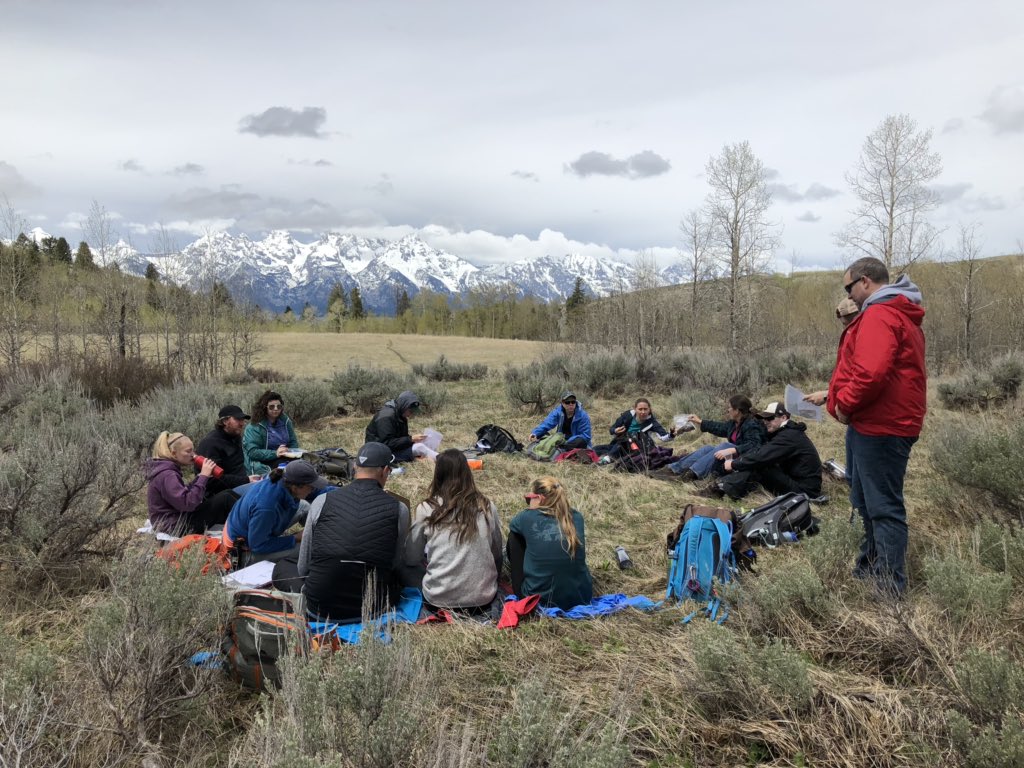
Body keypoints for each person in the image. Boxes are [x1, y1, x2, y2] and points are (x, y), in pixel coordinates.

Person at [828, 257, 926, 596]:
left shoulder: (881, 314)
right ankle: (869, 568)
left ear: (866, 281)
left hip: (882, 426)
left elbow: (870, 374)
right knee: (865, 500)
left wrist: (844, 405)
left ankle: (890, 588)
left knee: (883, 507)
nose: (849, 295)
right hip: (874, 424)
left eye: (849, 287)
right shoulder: (890, 313)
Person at [298, 442, 412, 621]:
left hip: (318, 608)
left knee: (285, 565)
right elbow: (395, 563)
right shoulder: (399, 509)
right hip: (373, 608)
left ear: (354, 467)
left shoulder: (322, 500)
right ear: (385, 471)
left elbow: (302, 567)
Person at [404, 449, 503, 612]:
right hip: (483, 598)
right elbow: (497, 553)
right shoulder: (486, 506)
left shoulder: (427, 508)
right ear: (467, 472)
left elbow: (411, 558)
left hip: (437, 599)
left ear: (438, 474)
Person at [507, 476, 593, 610]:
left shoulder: (525, 517)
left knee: (514, 536)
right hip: (581, 597)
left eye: (530, 498)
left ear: (540, 498)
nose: (529, 502)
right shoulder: (577, 517)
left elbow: (512, 526)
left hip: (537, 600)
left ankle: (523, 587)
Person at [709, 402, 823, 501]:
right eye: (764, 418)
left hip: (805, 492)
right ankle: (723, 486)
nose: (765, 422)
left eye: (770, 418)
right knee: (758, 461)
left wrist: (734, 464)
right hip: (798, 483)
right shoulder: (786, 433)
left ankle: (722, 488)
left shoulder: (789, 436)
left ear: (783, 418)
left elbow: (761, 457)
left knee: (761, 465)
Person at [224, 460, 324, 563]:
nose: (313, 489)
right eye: (311, 487)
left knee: (304, 506)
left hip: (255, 531)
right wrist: (296, 538)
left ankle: (317, 533)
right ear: (295, 487)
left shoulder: (282, 481)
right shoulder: (267, 508)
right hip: (244, 551)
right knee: (306, 549)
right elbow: (258, 545)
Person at [656, 395, 766, 481]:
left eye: (730, 407)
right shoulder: (735, 423)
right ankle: (673, 469)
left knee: (725, 445)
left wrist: (733, 449)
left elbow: (754, 445)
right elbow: (720, 427)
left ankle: (691, 474)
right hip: (734, 456)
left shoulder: (752, 425)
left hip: (745, 460)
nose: (728, 410)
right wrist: (700, 422)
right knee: (707, 448)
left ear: (737, 410)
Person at [146, 431, 219, 536]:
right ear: (174, 453)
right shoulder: (168, 475)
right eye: (188, 451)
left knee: (226, 496)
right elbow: (188, 503)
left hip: (171, 521)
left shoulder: (165, 470)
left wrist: (199, 478)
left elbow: (180, 495)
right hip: (174, 527)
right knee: (224, 501)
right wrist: (203, 476)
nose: (193, 455)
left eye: (193, 450)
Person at [805, 298, 861, 406]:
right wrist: (828, 395)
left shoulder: (865, 338)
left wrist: (842, 406)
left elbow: (864, 380)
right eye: (844, 324)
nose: (846, 328)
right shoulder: (851, 337)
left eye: (848, 323)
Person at [197, 405, 260, 495]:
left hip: (240, 485)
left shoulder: (235, 437)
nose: (242, 423)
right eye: (238, 419)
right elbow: (212, 481)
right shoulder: (211, 443)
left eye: (243, 420)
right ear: (225, 421)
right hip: (222, 495)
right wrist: (246, 480)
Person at [365, 390, 438, 463]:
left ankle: (434, 458)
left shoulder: (400, 415)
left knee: (419, 446)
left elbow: (401, 437)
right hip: (378, 454)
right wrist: (411, 439)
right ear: (404, 406)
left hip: (390, 450)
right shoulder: (386, 417)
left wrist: (412, 442)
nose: (411, 414)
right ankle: (442, 460)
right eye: (410, 411)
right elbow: (387, 443)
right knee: (420, 448)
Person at [597, 397, 675, 465]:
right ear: (635, 409)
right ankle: (593, 456)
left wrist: (671, 434)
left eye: (645, 409)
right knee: (598, 448)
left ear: (649, 409)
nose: (643, 412)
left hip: (638, 448)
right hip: (619, 443)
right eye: (640, 409)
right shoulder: (627, 415)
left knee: (626, 440)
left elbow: (664, 437)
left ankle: (607, 460)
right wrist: (615, 430)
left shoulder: (652, 422)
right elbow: (612, 429)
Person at [244, 390, 300, 476]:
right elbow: (253, 452)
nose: (276, 409)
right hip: (264, 461)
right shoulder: (254, 426)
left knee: (303, 465)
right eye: (271, 407)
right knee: (289, 471)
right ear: (264, 407)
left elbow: (293, 442)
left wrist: (293, 453)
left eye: (279, 406)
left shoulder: (285, 421)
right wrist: (275, 453)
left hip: (285, 457)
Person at [528, 391, 592, 454]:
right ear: (562, 403)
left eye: (573, 402)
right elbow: (547, 423)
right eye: (567, 402)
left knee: (581, 441)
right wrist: (535, 433)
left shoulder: (583, 415)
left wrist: (568, 441)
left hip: (574, 440)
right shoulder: (558, 412)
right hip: (562, 439)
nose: (571, 404)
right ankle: (559, 448)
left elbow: (586, 436)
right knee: (542, 433)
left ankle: (559, 448)